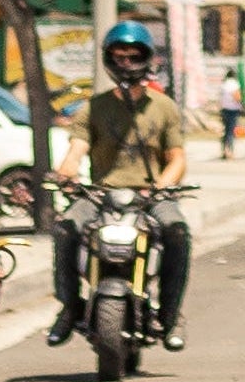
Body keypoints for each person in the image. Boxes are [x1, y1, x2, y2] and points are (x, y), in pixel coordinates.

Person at [48, 21, 192, 352]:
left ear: (147, 58)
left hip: (150, 196)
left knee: (178, 230)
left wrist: (162, 186)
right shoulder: (93, 108)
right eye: (119, 57)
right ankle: (69, 307)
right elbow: (76, 150)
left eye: (133, 57)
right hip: (100, 195)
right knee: (66, 227)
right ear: (108, 60)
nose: (126, 64)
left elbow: (177, 158)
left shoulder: (164, 107)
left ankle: (171, 315)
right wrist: (66, 173)